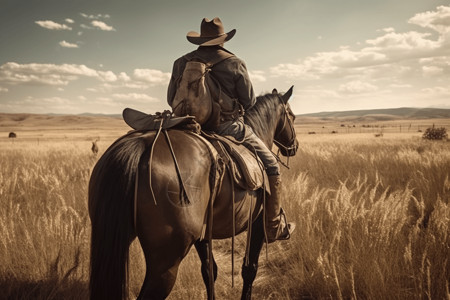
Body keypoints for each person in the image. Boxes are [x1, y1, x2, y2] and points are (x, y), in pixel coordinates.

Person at [167, 17, 295, 243]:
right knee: (272, 166)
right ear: (222, 40)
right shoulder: (235, 63)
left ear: (200, 39)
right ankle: (273, 226)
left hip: (185, 126)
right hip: (226, 127)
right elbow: (249, 102)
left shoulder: (180, 62)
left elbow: (170, 99)